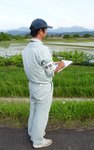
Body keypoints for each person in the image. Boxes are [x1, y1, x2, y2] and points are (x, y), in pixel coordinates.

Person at [22, 18, 65, 149]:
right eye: (46, 30)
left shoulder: (27, 48)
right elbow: (50, 72)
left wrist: (53, 64)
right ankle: (38, 140)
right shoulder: (43, 49)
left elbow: (39, 65)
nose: (47, 32)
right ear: (41, 31)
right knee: (42, 114)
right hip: (43, 87)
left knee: (34, 110)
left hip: (33, 85)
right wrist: (62, 65)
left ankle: (32, 133)